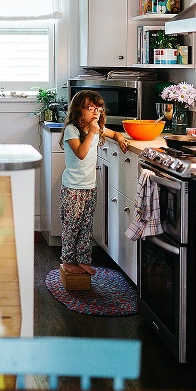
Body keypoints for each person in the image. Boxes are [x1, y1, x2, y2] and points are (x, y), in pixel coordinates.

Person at [58, 90, 128, 275]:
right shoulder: (72, 130)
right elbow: (81, 153)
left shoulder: (96, 128)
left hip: (90, 186)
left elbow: (113, 133)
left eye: (98, 109)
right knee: (72, 226)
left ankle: (82, 259)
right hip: (73, 188)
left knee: (86, 226)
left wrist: (120, 137)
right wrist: (91, 133)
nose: (96, 112)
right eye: (90, 108)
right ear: (78, 110)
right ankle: (67, 261)